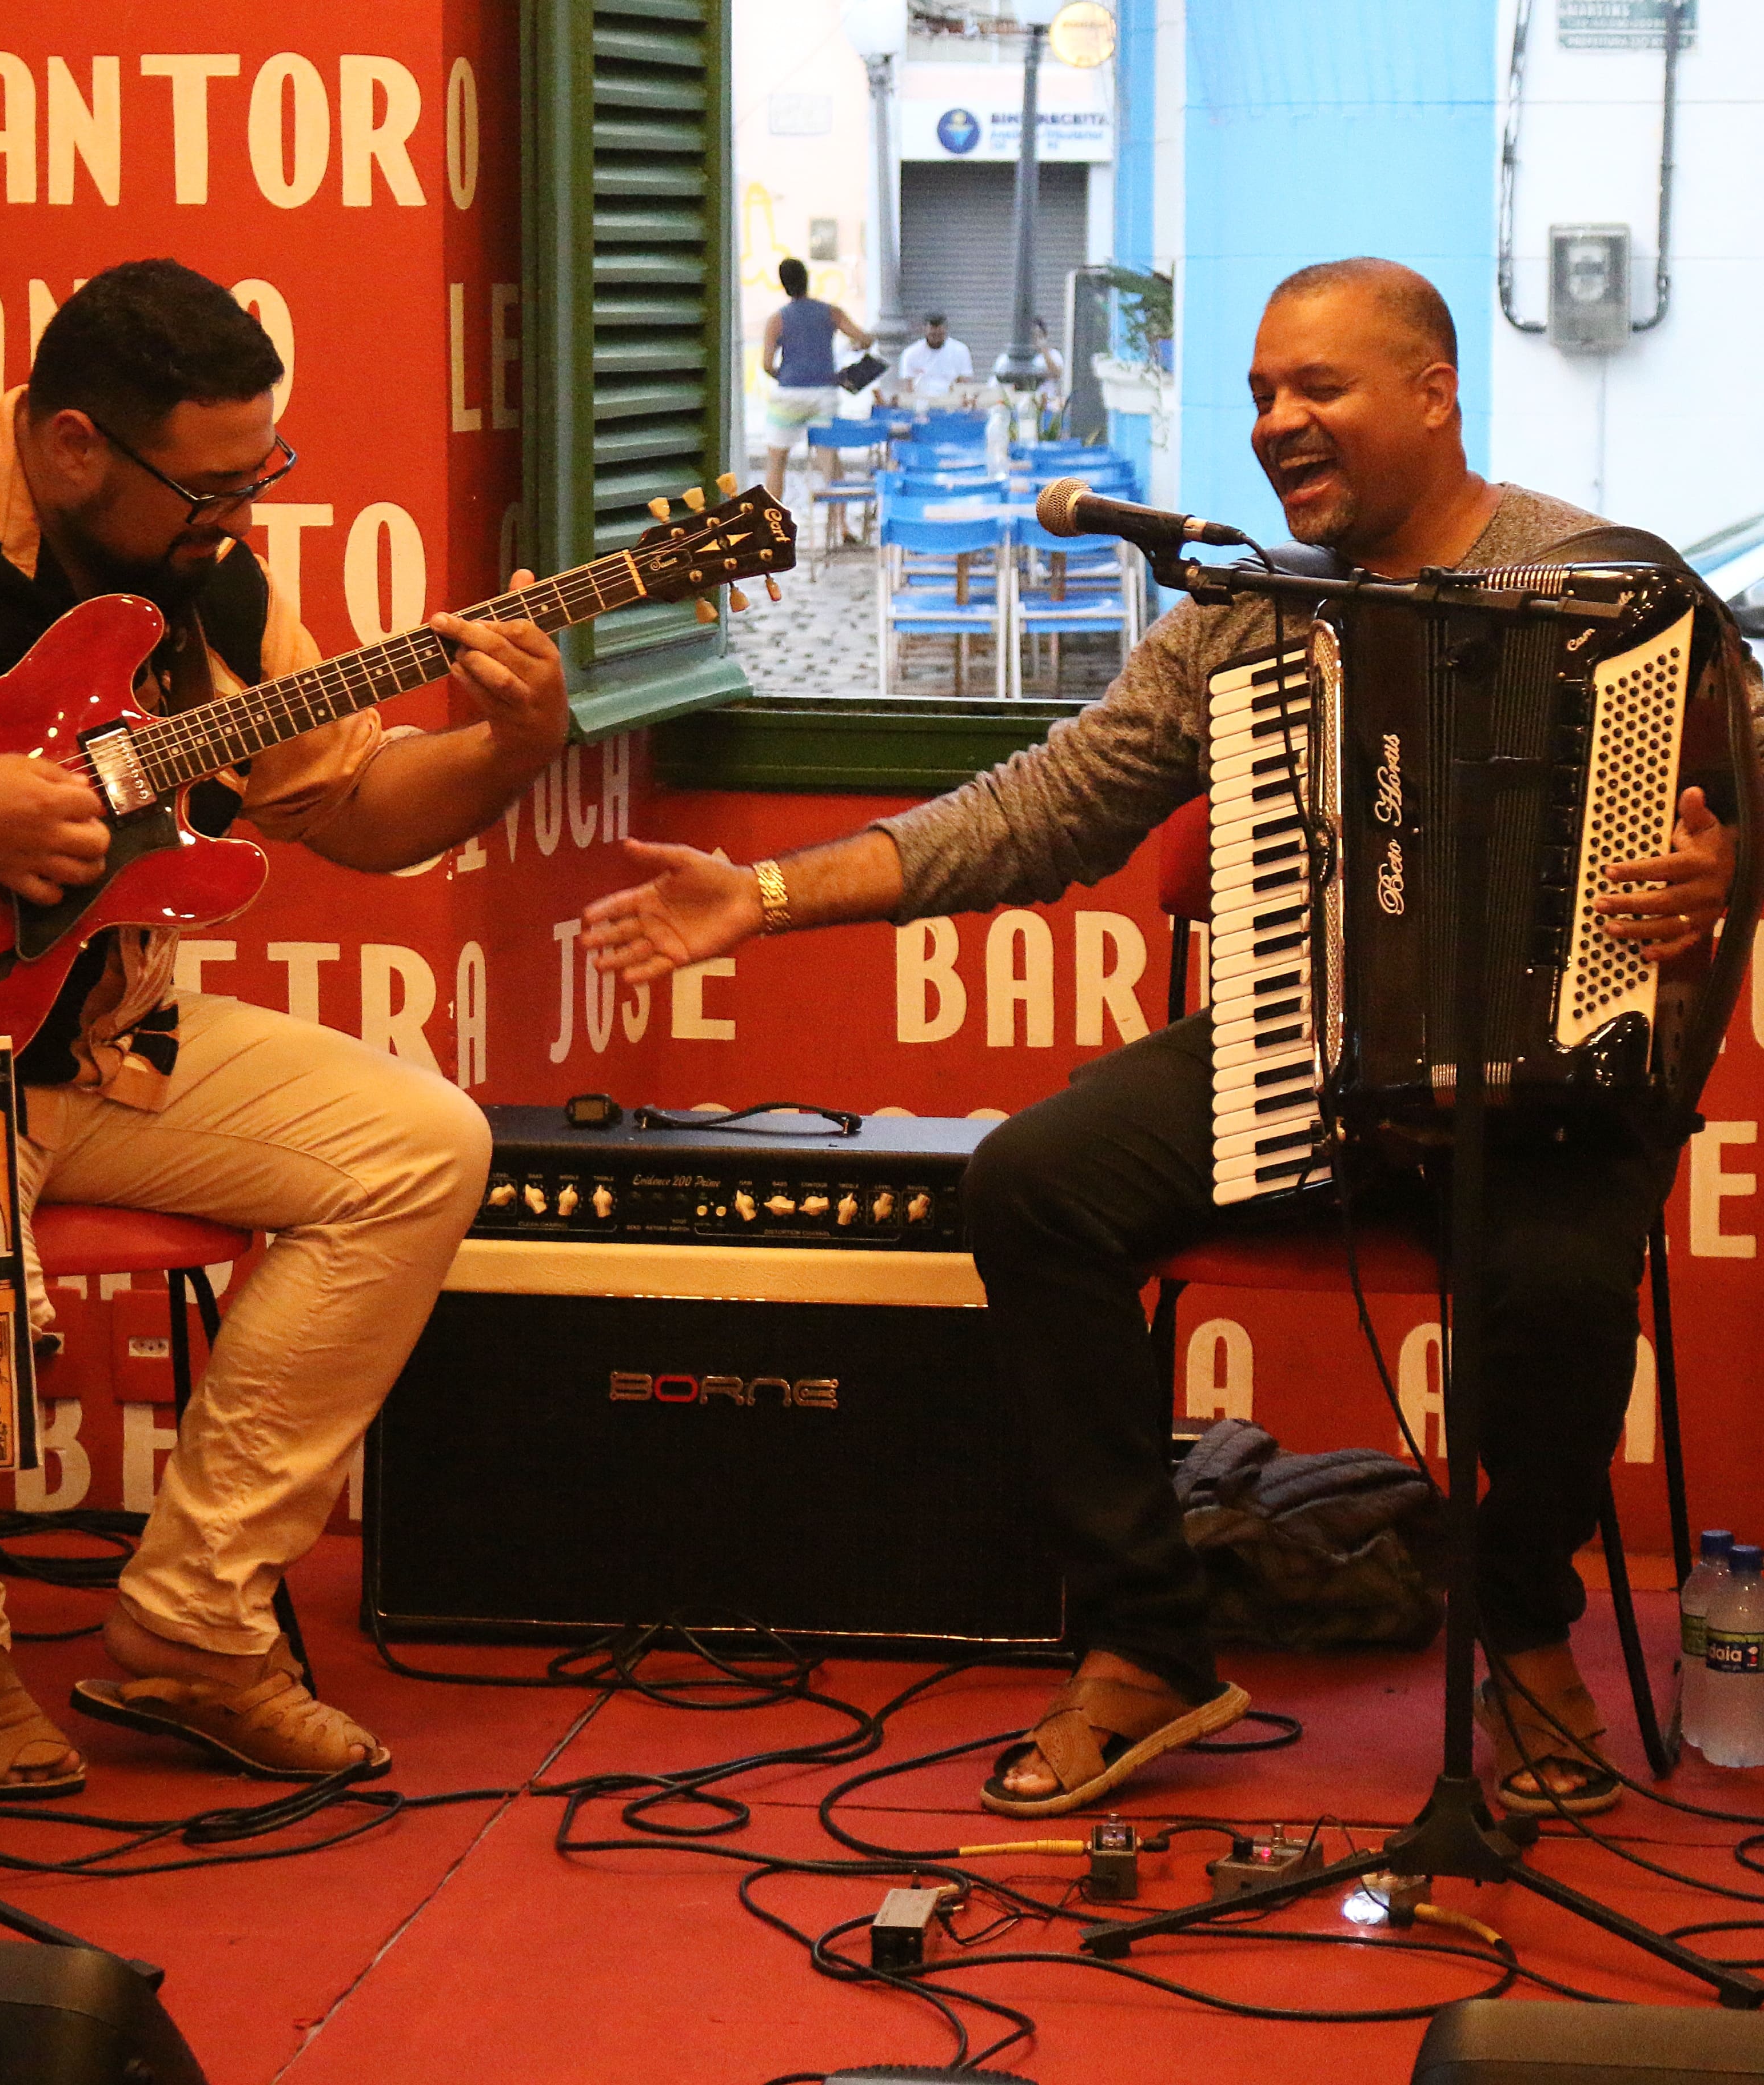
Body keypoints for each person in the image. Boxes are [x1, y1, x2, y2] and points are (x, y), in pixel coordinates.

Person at [581, 258, 1747, 1823]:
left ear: (1433, 392)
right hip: (1306, 1049)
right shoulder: (1248, 615)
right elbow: (1045, 809)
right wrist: (774, 893)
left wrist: (1728, 865)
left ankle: (1525, 1629)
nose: (1277, 423)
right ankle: (1148, 1643)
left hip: (1551, 1084)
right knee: (1033, 1184)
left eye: (1316, 389)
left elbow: (1750, 777)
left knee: (1548, 1282)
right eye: (1262, 394)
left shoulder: (1612, 585)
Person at [0, 259, 571, 1796]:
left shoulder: (209, 584)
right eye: (211, 481)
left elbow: (355, 808)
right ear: (76, 443)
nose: (242, 509)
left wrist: (515, 745)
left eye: (260, 470)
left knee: (419, 1146)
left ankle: (192, 1631)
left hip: (93, 1032)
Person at [761, 257, 873, 504]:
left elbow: (767, 365)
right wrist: (855, 347)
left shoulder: (776, 320)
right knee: (831, 461)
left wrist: (786, 375)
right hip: (825, 393)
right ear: (807, 280)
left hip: (789, 395)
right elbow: (864, 339)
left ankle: (771, 526)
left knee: (777, 462)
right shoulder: (831, 312)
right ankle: (842, 528)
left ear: (784, 285)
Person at [898, 314, 974, 400]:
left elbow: (964, 381)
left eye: (940, 335)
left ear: (945, 331)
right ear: (925, 330)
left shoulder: (961, 350)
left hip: (951, 402)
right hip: (921, 402)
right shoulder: (911, 353)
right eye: (933, 335)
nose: (937, 339)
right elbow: (907, 385)